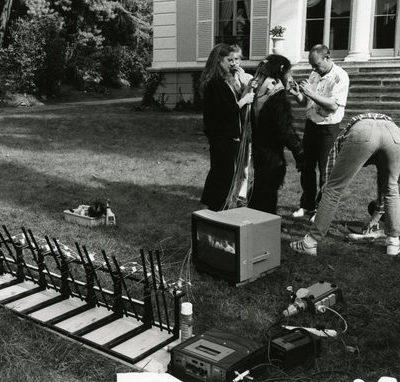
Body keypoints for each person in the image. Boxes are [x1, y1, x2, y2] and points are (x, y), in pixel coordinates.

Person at [290, 113, 400, 257]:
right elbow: (386, 189)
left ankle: (310, 243)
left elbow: (331, 181)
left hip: (362, 130)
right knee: (391, 189)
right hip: (394, 132)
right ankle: (393, 242)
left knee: (334, 189)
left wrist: (327, 189)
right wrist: (376, 215)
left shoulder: (342, 139)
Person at [290, 44, 349, 219]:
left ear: (327, 58)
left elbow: (332, 105)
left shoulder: (340, 76)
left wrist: (310, 93)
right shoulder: (315, 74)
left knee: (325, 171)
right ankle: (307, 205)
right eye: (311, 65)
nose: (313, 68)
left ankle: (321, 209)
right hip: (311, 125)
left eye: (316, 64)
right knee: (307, 167)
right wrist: (298, 95)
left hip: (328, 128)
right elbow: (308, 102)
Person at [200, 43, 254, 211]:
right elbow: (226, 110)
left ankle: (213, 204)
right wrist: (244, 101)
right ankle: (217, 207)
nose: (233, 63)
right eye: (228, 60)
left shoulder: (222, 80)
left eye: (234, 59)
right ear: (218, 61)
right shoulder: (215, 83)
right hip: (221, 135)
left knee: (220, 171)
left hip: (223, 134)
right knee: (223, 173)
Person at [248, 55, 304, 214]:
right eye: (288, 72)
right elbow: (284, 127)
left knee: (260, 186)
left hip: (259, 146)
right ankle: (267, 224)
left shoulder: (259, 85)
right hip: (271, 150)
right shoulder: (276, 92)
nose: (290, 77)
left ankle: (255, 217)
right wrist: (299, 151)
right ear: (281, 70)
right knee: (269, 190)